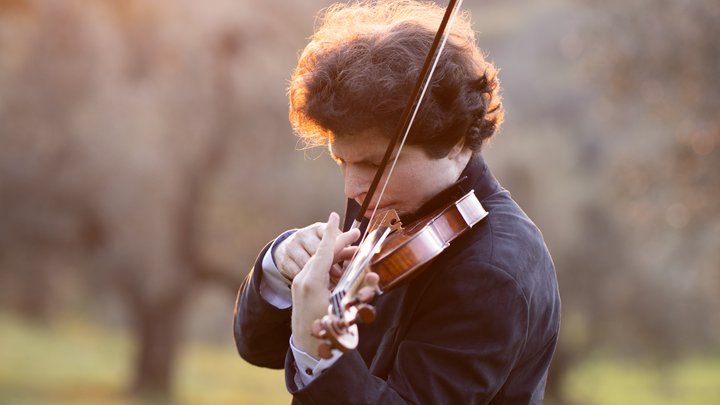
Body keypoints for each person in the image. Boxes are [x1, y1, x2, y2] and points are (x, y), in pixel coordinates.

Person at [233, 1, 561, 403]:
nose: (353, 188)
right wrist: (281, 269)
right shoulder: (387, 205)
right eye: (342, 161)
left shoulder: (492, 271)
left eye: (373, 163)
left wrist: (321, 348)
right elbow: (260, 348)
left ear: (455, 141)